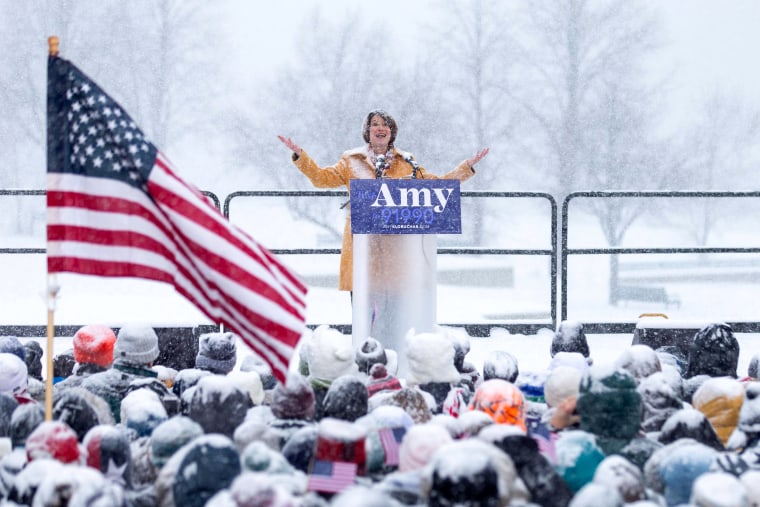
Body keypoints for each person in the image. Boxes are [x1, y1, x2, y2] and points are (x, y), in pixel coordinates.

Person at [278, 109, 489, 292]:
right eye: (375, 124)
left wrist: (466, 167)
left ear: (392, 131)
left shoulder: (407, 162)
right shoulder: (351, 161)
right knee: (363, 312)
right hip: (361, 246)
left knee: (394, 310)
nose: (381, 128)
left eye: (385, 125)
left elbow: (436, 186)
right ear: (367, 131)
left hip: (396, 251)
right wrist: (300, 156)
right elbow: (321, 178)